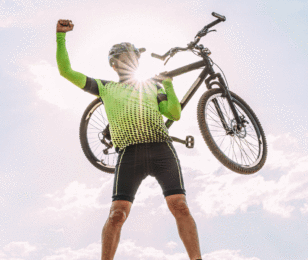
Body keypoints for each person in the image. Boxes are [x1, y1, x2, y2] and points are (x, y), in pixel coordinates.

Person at [56, 19, 202, 260]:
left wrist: (167, 84)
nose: (127, 62)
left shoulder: (152, 87)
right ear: (114, 66)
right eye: (122, 59)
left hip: (161, 149)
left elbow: (174, 113)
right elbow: (66, 72)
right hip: (129, 155)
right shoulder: (106, 88)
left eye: (131, 58)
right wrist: (61, 36)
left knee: (180, 206)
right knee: (117, 214)